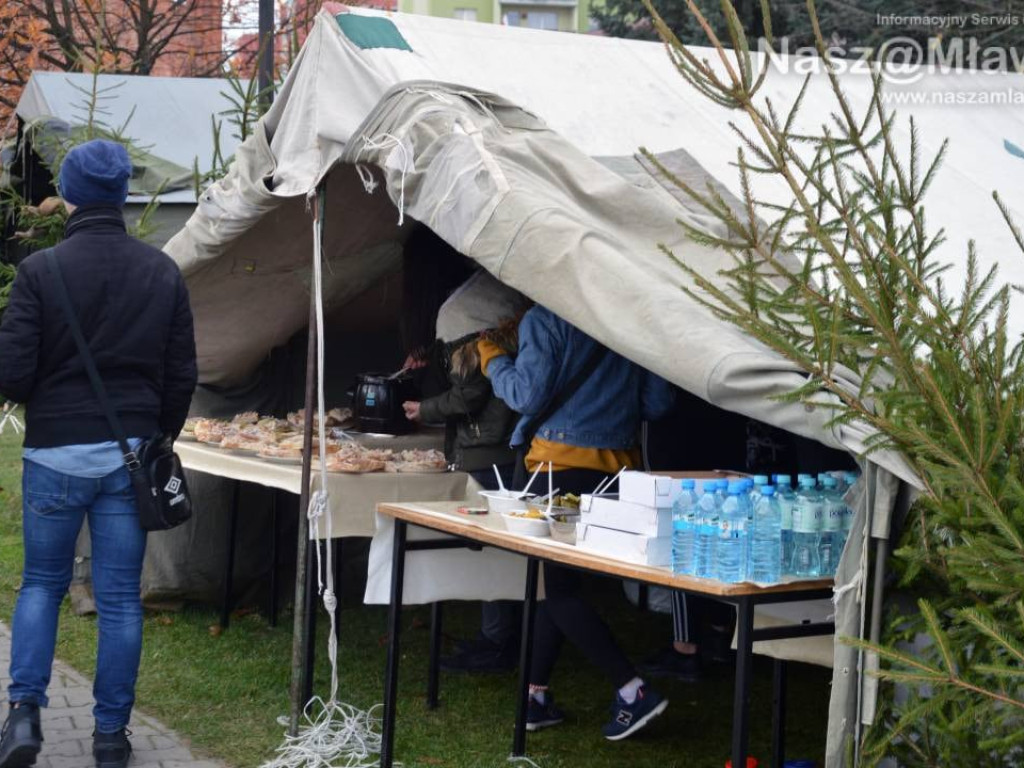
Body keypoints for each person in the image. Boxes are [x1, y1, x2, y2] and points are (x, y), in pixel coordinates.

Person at [0, 139, 198, 768]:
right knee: (118, 599)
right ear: (121, 195)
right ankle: (111, 736)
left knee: (41, 584)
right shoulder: (161, 270)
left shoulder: (40, 271)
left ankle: (24, 714)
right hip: (128, 457)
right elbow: (181, 374)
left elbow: (11, 375)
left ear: (69, 194)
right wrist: (159, 437)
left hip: (54, 455)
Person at [479, 304, 675, 740]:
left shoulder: (545, 318)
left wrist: (492, 359)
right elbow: (657, 403)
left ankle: (632, 690)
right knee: (557, 586)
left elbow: (525, 396)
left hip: (556, 470)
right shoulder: (629, 317)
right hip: (617, 476)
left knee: (557, 589)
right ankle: (534, 697)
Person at [403, 269, 530, 672]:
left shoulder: (473, 336)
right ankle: (498, 637)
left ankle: (498, 641)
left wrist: (425, 409)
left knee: (495, 550)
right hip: (493, 450)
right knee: (495, 548)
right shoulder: (489, 326)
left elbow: (469, 395)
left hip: (489, 454)